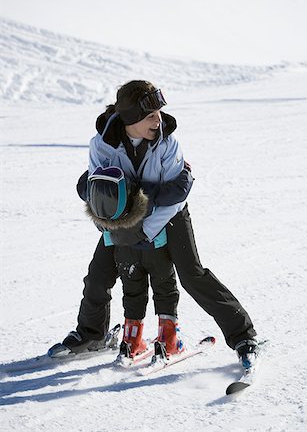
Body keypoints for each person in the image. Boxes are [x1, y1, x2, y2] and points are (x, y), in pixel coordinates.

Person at [53, 80, 258, 370]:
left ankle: (242, 336)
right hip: (123, 220)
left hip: (170, 215)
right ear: (131, 119)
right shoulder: (101, 144)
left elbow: (174, 197)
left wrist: (147, 231)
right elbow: (102, 195)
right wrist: (112, 228)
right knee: (98, 274)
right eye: (150, 115)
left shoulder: (167, 143)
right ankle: (92, 335)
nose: (158, 120)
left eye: (159, 113)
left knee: (192, 275)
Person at [86, 165, 184, 360]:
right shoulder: (149, 180)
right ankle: (168, 339)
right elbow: (170, 201)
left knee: (132, 291)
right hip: (155, 245)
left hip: (123, 248)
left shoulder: (104, 187)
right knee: (164, 287)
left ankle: (132, 339)